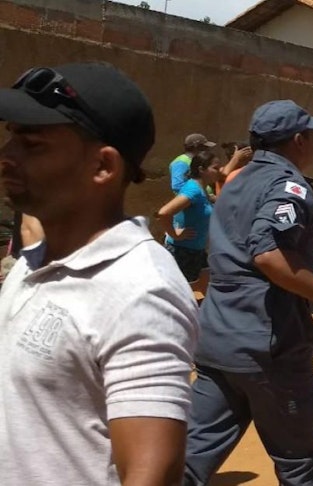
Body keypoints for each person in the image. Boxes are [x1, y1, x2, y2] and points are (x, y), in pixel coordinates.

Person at [0, 61, 199, 485]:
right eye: (10, 136)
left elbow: (151, 475)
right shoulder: (37, 261)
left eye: (32, 145)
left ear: (103, 167)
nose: (7, 156)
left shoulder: (140, 292)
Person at [185, 100, 313, 484]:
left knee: (188, 460)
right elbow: (268, 254)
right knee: (300, 464)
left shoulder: (234, 183)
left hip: (218, 340)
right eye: (312, 135)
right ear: (299, 140)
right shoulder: (288, 186)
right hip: (268, 346)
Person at [155, 150, 222, 282]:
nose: (219, 171)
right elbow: (164, 213)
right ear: (201, 169)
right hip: (182, 253)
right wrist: (174, 233)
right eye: (215, 168)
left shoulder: (202, 189)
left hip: (196, 252)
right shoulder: (193, 190)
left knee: (202, 287)